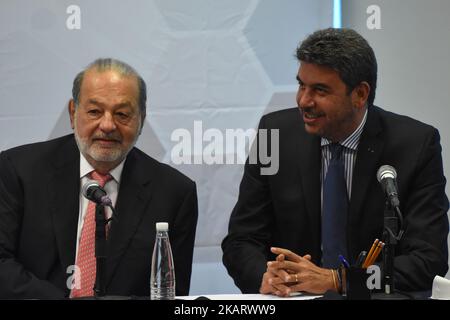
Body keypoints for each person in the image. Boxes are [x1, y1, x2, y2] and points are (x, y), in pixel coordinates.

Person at [222, 28, 449, 296]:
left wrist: (339, 280)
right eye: (301, 85)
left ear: (360, 94)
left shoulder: (415, 145)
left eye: (319, 90)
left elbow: (428, 259)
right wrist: (267, 276)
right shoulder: (273, 134)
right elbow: (241, 240)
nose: (303, 101)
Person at [0, 58, 198, 299]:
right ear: (73, 113)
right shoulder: (18, 171)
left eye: (122, 114)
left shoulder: (175, 193)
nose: (107, 125)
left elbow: (171, 292)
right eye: (94, 111)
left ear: (141, 120)